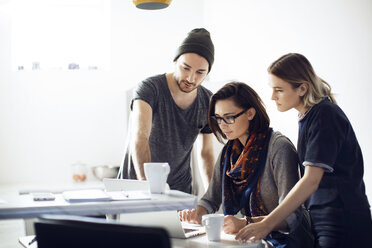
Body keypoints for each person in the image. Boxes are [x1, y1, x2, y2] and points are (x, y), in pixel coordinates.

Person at [235, 53, 372, 247]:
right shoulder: (309, 116)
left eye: (279, 90)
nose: (273, 96)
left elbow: (311, 181)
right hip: (326, 219)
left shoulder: (324, 115)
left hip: (343, 220)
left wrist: (267, 223)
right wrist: (255, 222)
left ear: (302, 89)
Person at [179, 82, 313, 247]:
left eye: (229, 117)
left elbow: (292, 217)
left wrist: (246, 223)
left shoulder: (279, 148)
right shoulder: (229, 152)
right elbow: (210, 199)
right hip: (253, 240)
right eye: (218, 118)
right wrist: (196, 213)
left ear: (250, 113)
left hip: (288, 240)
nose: (222, 125)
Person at [119, 28, 215, 194]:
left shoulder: (208, 101)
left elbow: (205, 153)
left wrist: (211, 198)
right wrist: (147, 185)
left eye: (200, 72)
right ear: (175, 61)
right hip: (136, 187)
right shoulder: (150, 88)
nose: (191, 78)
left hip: (179, 192)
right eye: (186, 68)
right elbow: (140, 136)